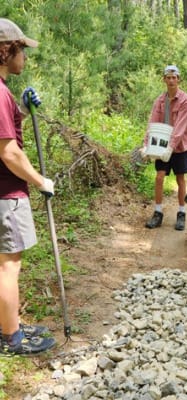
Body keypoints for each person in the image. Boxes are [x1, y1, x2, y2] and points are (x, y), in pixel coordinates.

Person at [0, 18, 56, 354]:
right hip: (7, 194)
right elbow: (7, 151)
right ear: (5, 51)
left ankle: (9, 324)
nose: (26, 58)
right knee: (9, 264)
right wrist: (40, 181)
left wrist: (19, 107)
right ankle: (12, 338)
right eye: (22, 50)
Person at [143, 65, 187, 231]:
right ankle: (157, 212)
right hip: (162, 144)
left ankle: (181, 213)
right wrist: (146, 145)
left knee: (180, 179)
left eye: (174, 77)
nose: (171, 80)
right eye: (168, 77)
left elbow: (180, 127)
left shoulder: (185, 100)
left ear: (178, 79)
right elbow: (153, 122)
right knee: (159, 177)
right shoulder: (159, 100)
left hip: (180, 146)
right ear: (164, 79)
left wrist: (170, 148)